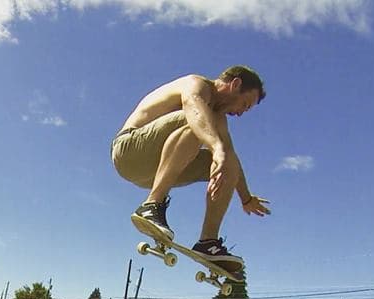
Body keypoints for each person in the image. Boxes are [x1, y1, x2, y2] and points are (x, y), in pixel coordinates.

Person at [111, 65, 272, 271]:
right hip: (129, 151)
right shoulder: (196, 84)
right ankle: (151, 205)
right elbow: (193, 107)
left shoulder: (218, 118)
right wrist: (216, 148)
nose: (240, 113)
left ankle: (208, 242)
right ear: (236, 84)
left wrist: (246, 198)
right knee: (203, 123)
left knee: (229, 161)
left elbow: (230, 158)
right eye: (245, 104)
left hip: (155, 171)